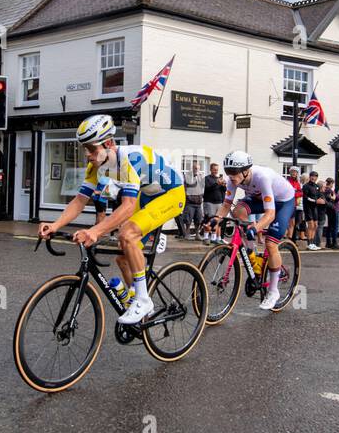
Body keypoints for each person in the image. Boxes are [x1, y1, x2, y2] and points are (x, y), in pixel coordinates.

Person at [39, 114, 185, 325]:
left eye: (91, 148)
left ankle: (143, 300)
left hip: (170, 193)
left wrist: (95, 231)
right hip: (146, 194)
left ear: (108, 143)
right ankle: (137, 302)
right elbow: (80, 201)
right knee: (123, 256)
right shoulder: (96, 166)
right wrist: (55, 225)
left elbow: (126, 207)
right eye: (84, 148)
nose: (87, 154)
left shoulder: (129, 160)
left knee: (128, 234)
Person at [217, 151, 296, 310]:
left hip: (282, 203)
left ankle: (273, 292)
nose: (230, 176)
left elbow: (270, 213)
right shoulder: (234, 180)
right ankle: (252, 254)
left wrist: (257, 227)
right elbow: (226, 205)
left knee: (270, 243)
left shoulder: (262, 177)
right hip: (259, 199)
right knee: (238, 211)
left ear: (246, 171)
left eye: (234, 172)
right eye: (228, 172)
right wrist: (215, 220)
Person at [202, 162, 227, 244]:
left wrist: (223, 186)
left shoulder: (219, 179)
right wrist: (217, 183)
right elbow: (207, 189)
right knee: (208, 219)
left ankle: (213, 238)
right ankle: (205, 238)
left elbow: (223, 191)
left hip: (219, 202)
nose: (216, 171)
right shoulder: (207, 178)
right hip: (209, 202)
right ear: (211, 170)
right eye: (214, 169)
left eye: (217, 170)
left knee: (216, 221)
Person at [182, 162, 205, 240]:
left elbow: (202, 188)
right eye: (195, 168)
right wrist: (188, 197)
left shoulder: (200, 177)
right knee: (188, 219)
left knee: (198, 220)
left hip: (198, 202)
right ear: (192, 168)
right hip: (190, 202)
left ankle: (197, 235)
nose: (197, 170)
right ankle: (187, 234)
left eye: (198, 168)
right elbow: (184, 188)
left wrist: (201, 196)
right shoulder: (187, 176)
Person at [302, 171, 322, 250]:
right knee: (311, 225)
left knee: (315, 225)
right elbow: (306, 197)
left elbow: (319, 195)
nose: (314, 178)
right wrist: (315, 201)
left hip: (315, 208)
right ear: (310, 177)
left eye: (315, 176)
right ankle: (309, 243)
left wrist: (322, 200)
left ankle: (313, 243)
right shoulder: (306, 186)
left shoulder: (317, 186)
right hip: (308, 208)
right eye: (312, 176)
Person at [322, 178, 339, 249]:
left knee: (330, 226)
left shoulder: (326, 190)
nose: (332, 185)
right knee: (334, 226)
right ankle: (334, 243)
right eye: (332, 183)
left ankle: (329, 242)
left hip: (331, 209)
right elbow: (334, 198)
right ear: (331, 183)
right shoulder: (329, 190)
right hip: (333, 209)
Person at [286, 167, 304, 241]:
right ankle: (285, 238)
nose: (294, 173)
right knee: (287, 222)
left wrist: (294, 193)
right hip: (287, 204)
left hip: (294, 205)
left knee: (293, 223)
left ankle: (289, 240)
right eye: (292, 172)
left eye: (295, 172)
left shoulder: (297, 183)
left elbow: (301, 193)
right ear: (290, 173)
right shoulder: (287, 181)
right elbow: (287, 192)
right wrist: (295, 192)